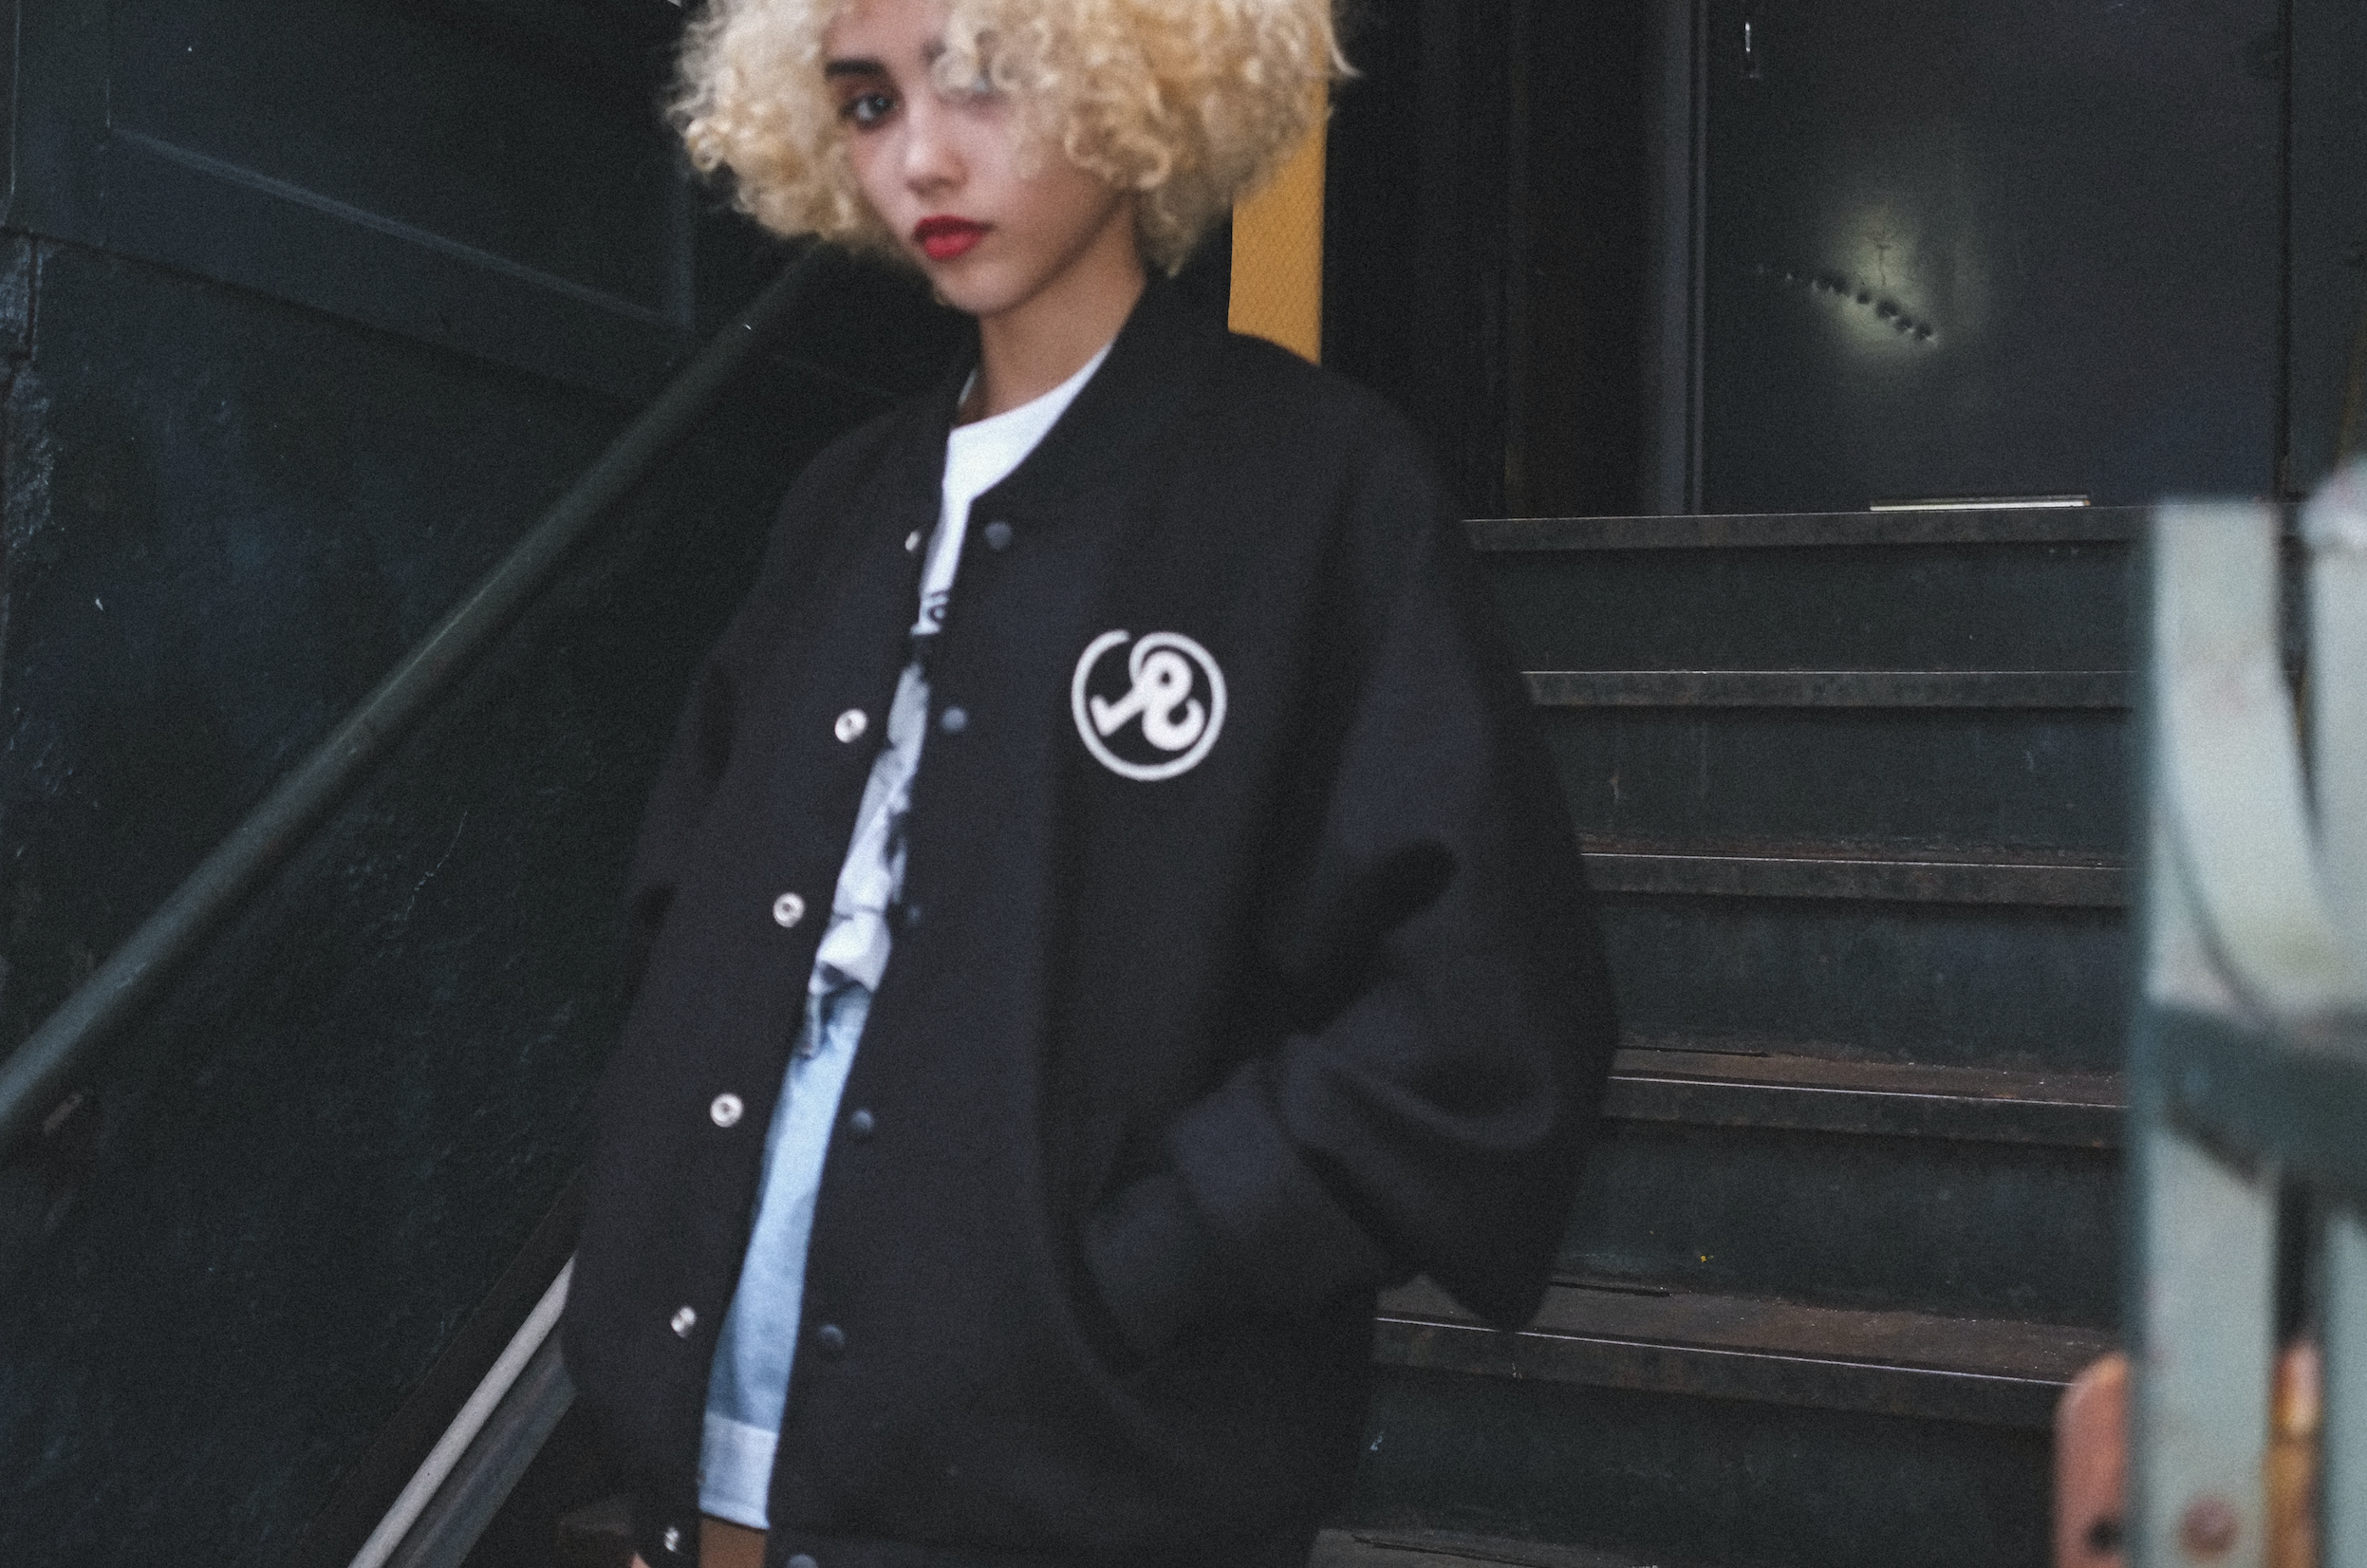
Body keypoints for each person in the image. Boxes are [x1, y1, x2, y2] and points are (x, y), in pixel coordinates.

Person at [561, 0, 1619, 1563]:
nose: (921, 157)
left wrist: (1142, 1265)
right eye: (866, 102)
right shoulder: (839, 505)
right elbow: (685, 920)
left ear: (1138, 78)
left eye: (983, 78)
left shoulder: (1314, 487)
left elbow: (1481, 1007)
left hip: (1083, 1475)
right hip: (721, 1423)